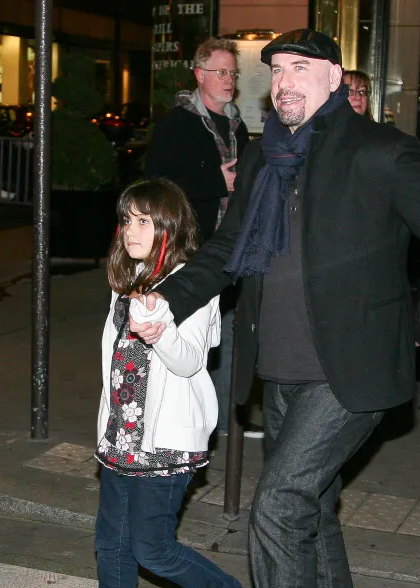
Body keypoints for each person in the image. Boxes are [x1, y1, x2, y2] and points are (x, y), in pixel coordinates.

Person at [128, 29, 420, 588]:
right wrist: (168, 296)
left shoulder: (380, 151)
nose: (285, 82)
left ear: (335, 79)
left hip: (351, 370)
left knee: (279, 508)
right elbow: (229, 247)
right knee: (312, 512)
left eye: (301, 69)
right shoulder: (266, 154)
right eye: (278, 70)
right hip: (281, 366)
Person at [44, 179, 263, 588]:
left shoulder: (194, 280)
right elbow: (117, 362)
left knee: (152, 547)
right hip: (124, 435)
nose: (131, 229)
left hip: (166, 441)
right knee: (111, 543)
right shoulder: (128, 278)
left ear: (169, 226)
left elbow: (190, 364)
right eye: (126, 219)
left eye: (144, 220)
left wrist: (160, 332)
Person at [145, 38, 255, 438]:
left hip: (232, 242)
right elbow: (159, 183)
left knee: (229, 328)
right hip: (190, 245)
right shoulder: (178, 123)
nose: (229, 81)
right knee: (188, 333)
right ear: (200, 75)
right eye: (221, 73)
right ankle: (180, 419)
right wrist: (218, 182)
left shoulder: (237, 124)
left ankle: (224, 418)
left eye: (233, 73)